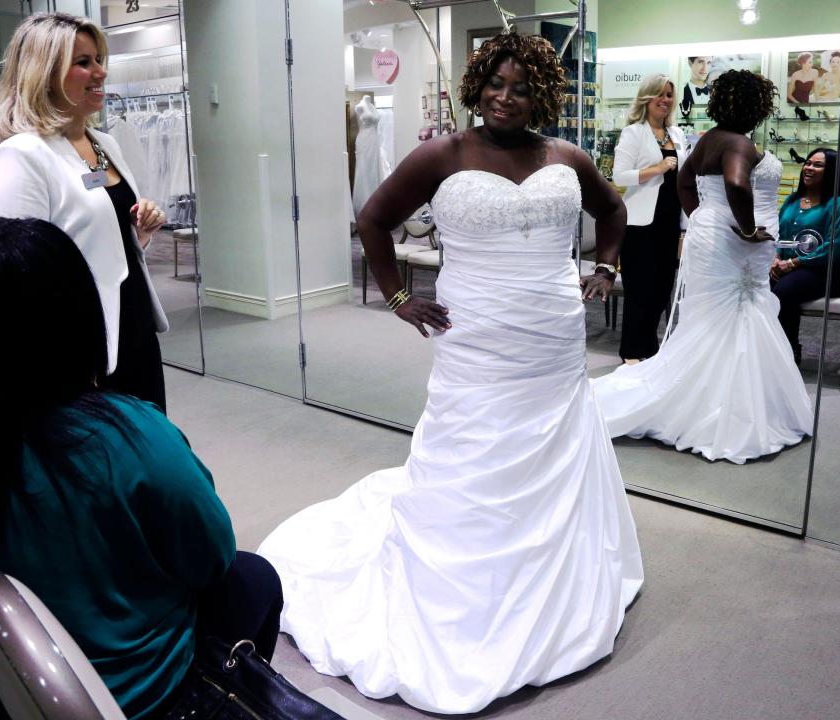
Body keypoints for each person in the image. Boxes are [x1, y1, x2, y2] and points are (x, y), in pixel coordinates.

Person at [258, 32, 642, 714]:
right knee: (472, 451)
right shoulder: (444, 153)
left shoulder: (566, 156)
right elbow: (374, 219)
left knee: (552, 450)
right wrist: (400, 298)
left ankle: (553, 577)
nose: (505, 96)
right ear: (477, 85)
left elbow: (612, 210)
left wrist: (606, 265)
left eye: (521, 87)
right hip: (478, 339)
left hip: (552, 341)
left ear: (542, 95)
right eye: (495, 83)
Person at [0, 217, 283, 720]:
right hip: (132, 697)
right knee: (254, 577)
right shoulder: (134, 438)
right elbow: (211, 558)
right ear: (76, 317)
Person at [593, 70, 814, 464]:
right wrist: (746, 230)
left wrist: (702, 217)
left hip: (712, 235)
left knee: (715, 315)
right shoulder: (739, 143)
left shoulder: (708, 139)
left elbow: (684, 183)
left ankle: (701, 393)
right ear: (757, 106)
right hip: (735, 241)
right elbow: (738, 184)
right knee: (735, 313)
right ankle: (719, 409)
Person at [0, 12, 169, 411]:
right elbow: (18, 278)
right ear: (43, 74)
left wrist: (141, 229)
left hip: (131, 321)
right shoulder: (22, 155)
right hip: (80, 341)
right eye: (83, 62)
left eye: (99, 59)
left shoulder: (103, 142)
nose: (100, 72)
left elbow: (97, 231)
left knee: (146, 447)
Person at [613, 73, 688, 362]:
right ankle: (631, 351)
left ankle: (649, 347)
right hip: (640, 224)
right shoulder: (633, 133)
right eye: (660, 94)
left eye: (669, 95)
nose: (665, 100)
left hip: (669, 221)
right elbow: (620, 176)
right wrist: (657, 169)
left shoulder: (677, 135)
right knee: (639, 290)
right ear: (647, 98)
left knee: (661, 290)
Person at [771, 148, 840, 364]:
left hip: (831, 271)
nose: (808, 168)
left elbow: (836, 248)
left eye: (817, 165)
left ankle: (788, 353)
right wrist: (775, 258)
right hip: (793, 268)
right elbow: (778, 234)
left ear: (832, 173)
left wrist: (792, 263)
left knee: (783, 291)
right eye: (808, 163)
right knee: (755, 285)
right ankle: (764, 349)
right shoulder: (793, 200)